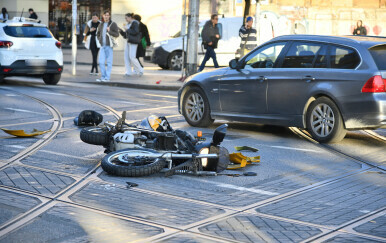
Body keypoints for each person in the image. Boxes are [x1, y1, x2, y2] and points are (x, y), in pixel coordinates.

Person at [96, 10, 119, 82]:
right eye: (105, 15)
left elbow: (117, 34)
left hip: (109, 46)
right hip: (102, 46)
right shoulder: (101, 24)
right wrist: (100, 40)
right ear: (103, 16)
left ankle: (107, 77)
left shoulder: (113, 24)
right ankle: (103, 76)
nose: (106, 16)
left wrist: (109, 31)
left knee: (109, 62)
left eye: (107, 15)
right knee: (101, 62)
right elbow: (98, 33)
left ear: (109, 16)